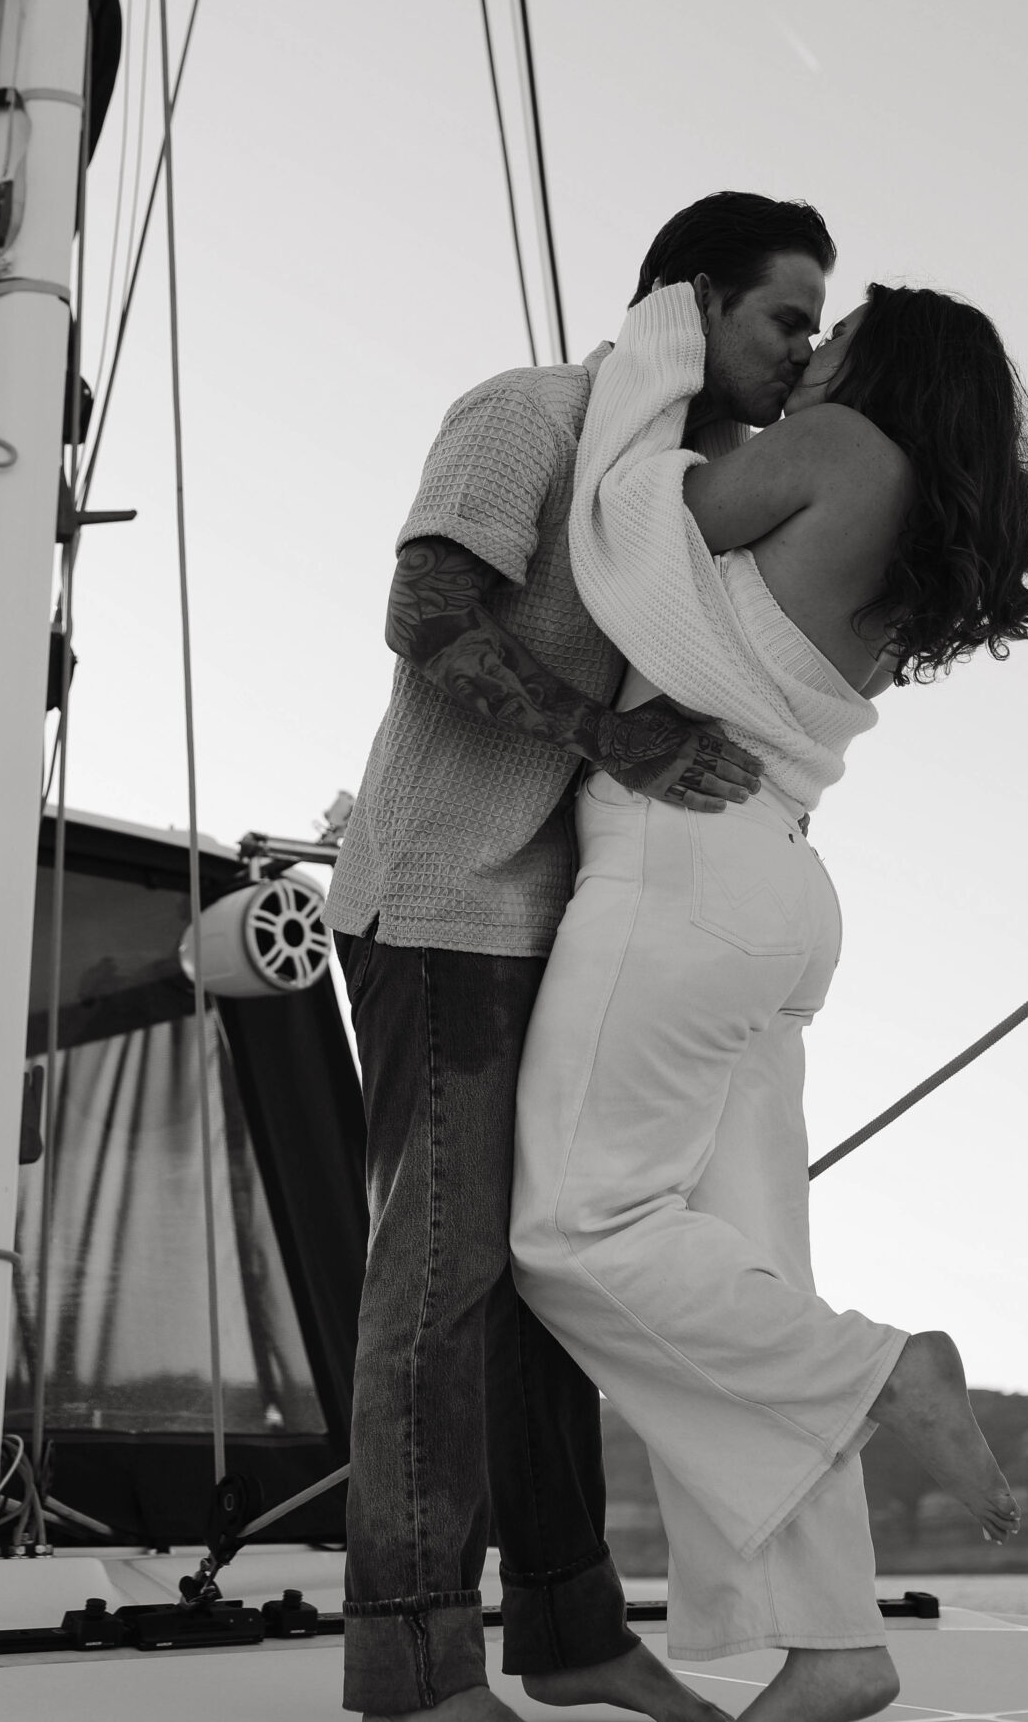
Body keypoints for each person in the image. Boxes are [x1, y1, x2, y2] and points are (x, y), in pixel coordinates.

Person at [510, 277, 1028, 1722]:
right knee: (745, 1276)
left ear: (895, 365)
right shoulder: (910, 515)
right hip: (778, 896)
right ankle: (832, 1641)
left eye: (842, 328)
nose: (817, 351)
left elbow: (630, 541)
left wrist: (657, 346)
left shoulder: (839, 454)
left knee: (573, 1229)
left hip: (682, 879)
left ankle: (885, 1373)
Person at [324, 192, 838, 1722]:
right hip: (438, 905)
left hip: (563, 931)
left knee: (562, 1286)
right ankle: (415, 1666)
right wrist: (611, 731)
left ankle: (568, 1630)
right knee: (441, 1284)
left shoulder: (678, 487)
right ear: (690, 306)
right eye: (786, 319)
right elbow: (424, 616)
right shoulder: (528, 414)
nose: (804, 354)